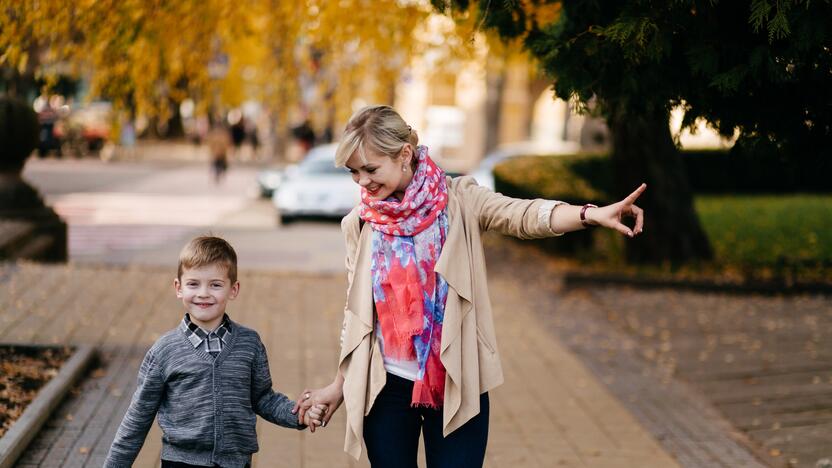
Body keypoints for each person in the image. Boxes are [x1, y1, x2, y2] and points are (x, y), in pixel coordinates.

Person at [293, 105, 646, 467]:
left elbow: (523, 215)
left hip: (456, 381)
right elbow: (357, 318)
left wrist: (590, 214)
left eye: (370, 169)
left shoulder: (459, 200)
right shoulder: (361, 223)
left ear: (404, 155)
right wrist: (340, 385)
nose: (362, 182)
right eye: (354, 172)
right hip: (384, 388)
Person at [105, 236, 326, 468]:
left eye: (215, 284)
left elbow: (263, 398)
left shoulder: (249, 344)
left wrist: (299, 414)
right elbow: (138, 418)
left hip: (236, 463)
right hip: (181, 462)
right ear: (178, 288)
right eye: (193, 284)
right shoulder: (165, 351)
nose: (203, 293)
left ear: (233, 289)